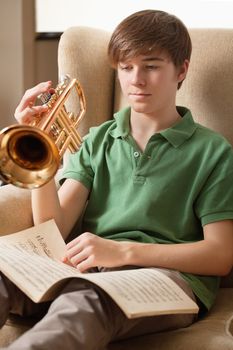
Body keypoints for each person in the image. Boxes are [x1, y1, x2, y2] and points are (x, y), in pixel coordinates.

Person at [1, 9, 233, 350]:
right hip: (88, 270)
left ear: (181, 69)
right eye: (126, 67)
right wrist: (39, 144)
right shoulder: (98, 140)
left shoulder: (213, 152)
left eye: (151, 66)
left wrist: (122, 252)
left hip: (167, 281)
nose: (136, 80)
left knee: (84, 302)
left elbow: (220, 255)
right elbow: (54, 227)